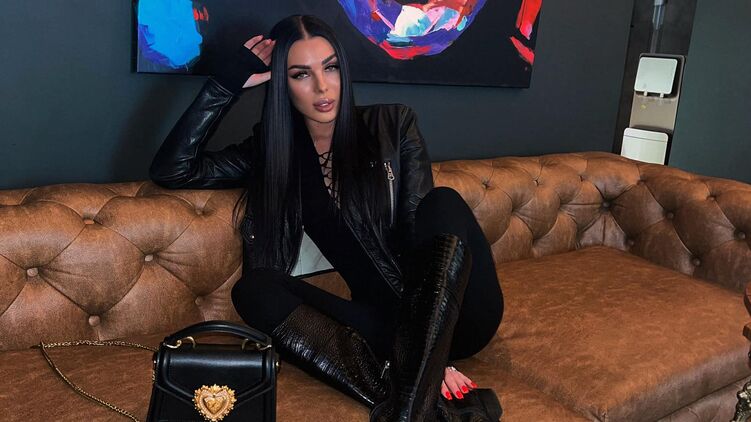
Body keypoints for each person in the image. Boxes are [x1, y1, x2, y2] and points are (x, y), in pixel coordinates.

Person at [150, 14, 503, 422]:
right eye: (301, 74)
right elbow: (173, 169)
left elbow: (416, 238)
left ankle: (410, 402)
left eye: (330, 67)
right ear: (282, 84)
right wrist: (226, 86)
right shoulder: (272, 152)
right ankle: (414, 391)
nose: (322, 86)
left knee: (443, 202)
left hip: (455, 313)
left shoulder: (392, 126)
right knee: (254, 289)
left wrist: (425, 346)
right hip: (379, 324)